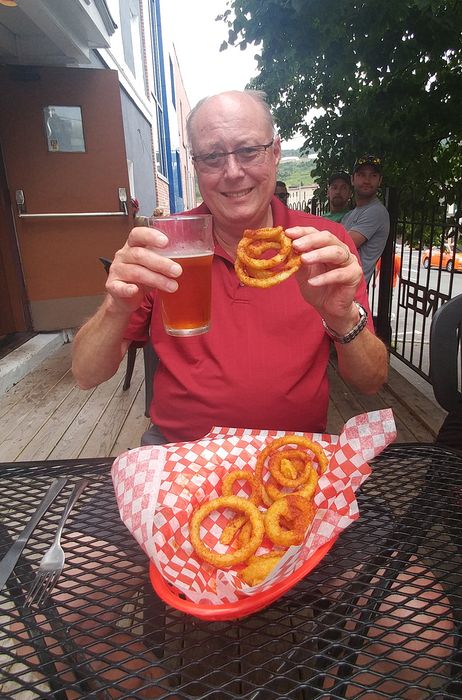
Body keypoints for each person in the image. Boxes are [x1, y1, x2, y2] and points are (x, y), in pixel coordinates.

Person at [71, 90, 452, 695]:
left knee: (425, 637)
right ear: (195, 166)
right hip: (173, 463)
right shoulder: (165, 246)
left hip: (299, 472)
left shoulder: (323, 243)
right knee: (68, 605)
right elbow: (87, 373)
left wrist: (340, 316)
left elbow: (372, 378)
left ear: (274, 153)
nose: (232, 171)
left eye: (247, 149)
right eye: (212, 156)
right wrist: (116, 304)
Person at [341, 155, 390, 285]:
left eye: (373, 175)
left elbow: (342, 244)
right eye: (362, 175)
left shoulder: (376, 212)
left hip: (351, 292)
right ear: (352, 179)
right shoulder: (349, 215)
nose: (367, 180)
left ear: (380, 181)